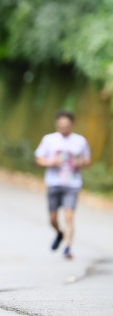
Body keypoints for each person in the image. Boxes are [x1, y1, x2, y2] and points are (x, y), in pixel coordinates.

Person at [34, 111, 90, 260]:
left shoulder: (80, 141)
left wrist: (80, 162)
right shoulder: (49, 140)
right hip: (54, 182)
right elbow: (39, 158)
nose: (64, 128)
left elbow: (87, 159)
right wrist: (51, 162)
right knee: (52, 219)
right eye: (61, 126)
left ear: (72, 125)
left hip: (72, 183)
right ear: (56, 125)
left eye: (66, 126)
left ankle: (67, 248)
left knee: (69, 215)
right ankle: (59, 233)